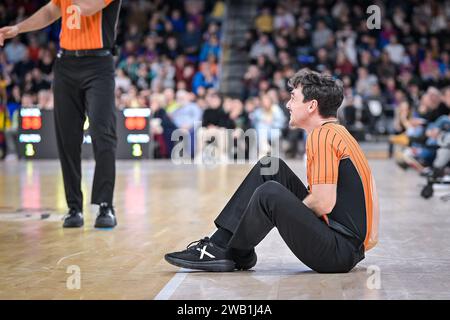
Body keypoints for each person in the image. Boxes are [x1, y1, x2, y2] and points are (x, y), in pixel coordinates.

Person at [165, 70, 379, 273]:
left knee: (270, 193)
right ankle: (227, 248)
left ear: (312, 105)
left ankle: (232, 251)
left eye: (294, 98)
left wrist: (287, 209)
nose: (288, 104)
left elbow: (324, 203)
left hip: (337, 252)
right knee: (270, 167)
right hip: (345, 245)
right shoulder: (339, 133)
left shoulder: (323, 136)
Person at [0, 0, 122, 228]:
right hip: (65, 63)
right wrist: (18, 28)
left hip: (98, 64)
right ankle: (74, 207)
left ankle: (105, 205)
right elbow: (51, 11)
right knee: (67, 138)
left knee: (102, 132)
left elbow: (88, 7)